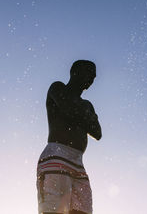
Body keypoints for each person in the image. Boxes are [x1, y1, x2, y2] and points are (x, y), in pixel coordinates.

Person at [36, 60, 101, 214]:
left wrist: (78, 112)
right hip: (57, 155)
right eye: (89, 73)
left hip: (78, 162)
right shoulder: (57, 87)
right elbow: (68, 110)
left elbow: (97, 133)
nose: (92, 79)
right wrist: (85, 117)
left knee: (82, 211)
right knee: (52, 210)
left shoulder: (87, 104)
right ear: (74, 72)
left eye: (94, 76)